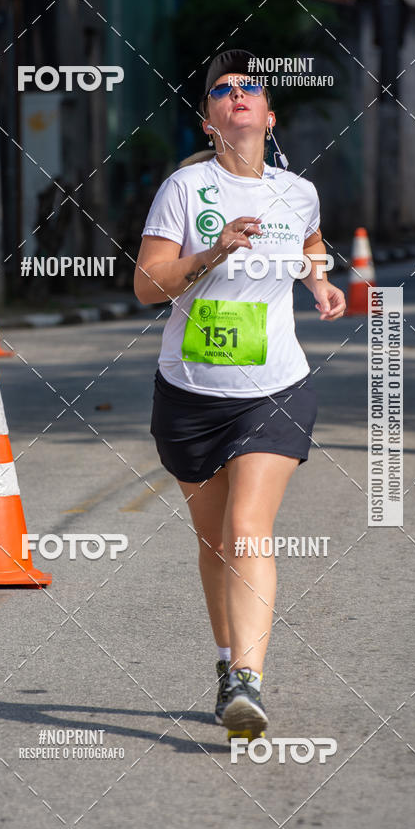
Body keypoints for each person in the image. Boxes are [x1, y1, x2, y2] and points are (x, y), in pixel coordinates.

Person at [134, 49, 346, 742]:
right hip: (191, 393)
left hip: (275, 389)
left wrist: (318, 282)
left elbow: (312, 241)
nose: (238, 95)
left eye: (249, 86)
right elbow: (147, 285)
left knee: (247, 529)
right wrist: (211, 254)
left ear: (269, 114)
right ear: (210, 120)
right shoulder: (184, 192)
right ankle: (228, 663)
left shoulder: (297, 191)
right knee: (214, 544)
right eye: (223, 90)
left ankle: (249, 682)